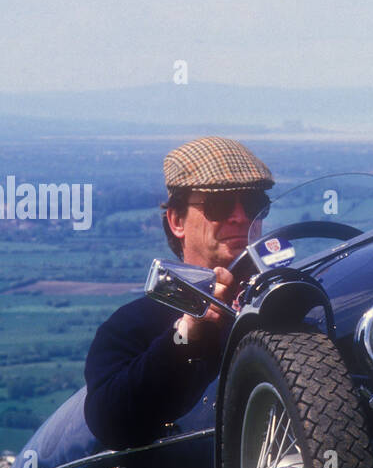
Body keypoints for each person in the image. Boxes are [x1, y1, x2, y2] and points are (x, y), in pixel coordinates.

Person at [83, 136, 274, 449]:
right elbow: (110, 421)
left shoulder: (287, 300)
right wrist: (184, 336)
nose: (240, 217)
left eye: (254, 205)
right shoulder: (134, 324)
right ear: (176, 220)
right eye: (220, 205)